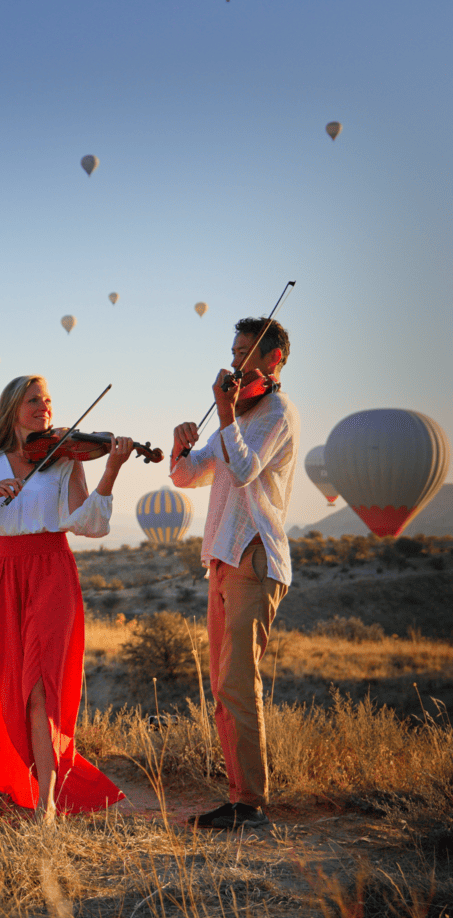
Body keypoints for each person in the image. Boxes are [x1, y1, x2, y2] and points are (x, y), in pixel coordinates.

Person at [0, 375, 134, 822]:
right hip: (4, 574)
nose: (44, 407)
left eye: (48, 400)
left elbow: (88, 524)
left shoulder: (66, 458)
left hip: (51, 572)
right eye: (33, 400)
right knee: (11, 688)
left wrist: (112, 470)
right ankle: (23, 783)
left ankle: (46, 802)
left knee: (40, 688)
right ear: (12, 409)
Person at [170, 317, 299, 830]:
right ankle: (239, 797)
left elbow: (245, 469)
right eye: (233, 351)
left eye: (246, 353)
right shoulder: (238, 415)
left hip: (255, 557)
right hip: (222, 561)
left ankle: (250, 805)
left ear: (274, 360)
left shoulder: (276, 412)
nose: (235, 362)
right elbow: (186, 475)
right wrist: (181, 443)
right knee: (224, 685)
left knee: (239, 683)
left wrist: (225, 412)